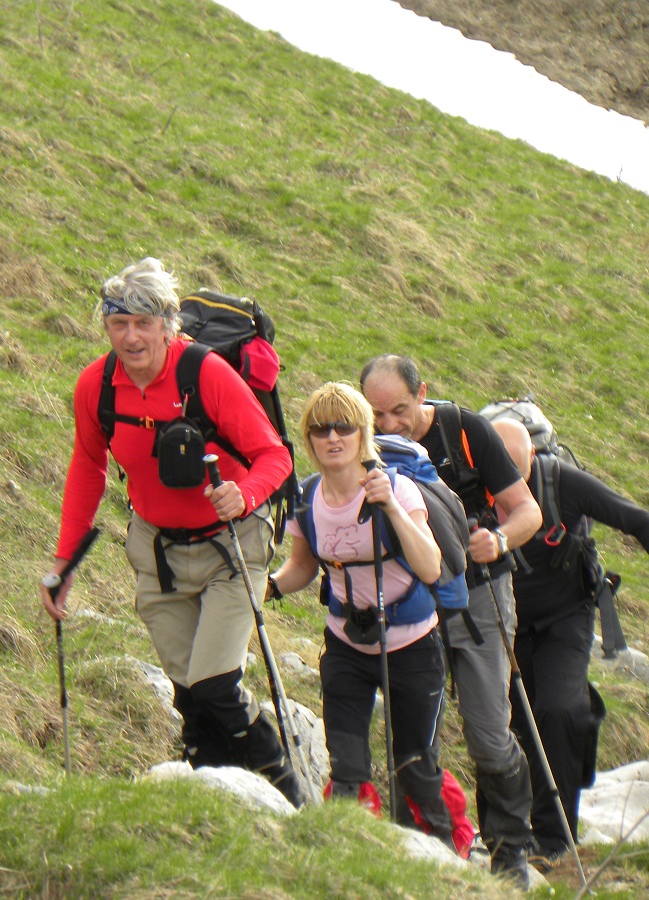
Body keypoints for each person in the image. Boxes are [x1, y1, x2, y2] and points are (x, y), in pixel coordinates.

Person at [39, 258, 304, 806]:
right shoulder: (96, 386)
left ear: (168, 325)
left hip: (232, 545)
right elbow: (87, 467)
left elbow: (274, 455)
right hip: (157, 551)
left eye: (144, 323)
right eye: (119, 324)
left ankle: (288, 795)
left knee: (215, 685)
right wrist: (65, 562)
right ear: (106, 326)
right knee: (190, 698)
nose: (131, 336)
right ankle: (216, 803)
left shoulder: (206, 374)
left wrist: (245, 494)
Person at [492, 418, 649, 867]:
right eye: (499, 472)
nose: (507, 485)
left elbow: (639, 520)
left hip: (564, 618)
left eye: (517, 471)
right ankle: (502, 836)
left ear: (533, 458)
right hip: (501, 623)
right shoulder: (470, 485)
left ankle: (554, 840)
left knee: (560, 710)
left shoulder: (562, 483)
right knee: (506, 725)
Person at [360, 355, 541, 884]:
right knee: (416, 732)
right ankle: (425, 843)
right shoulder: (362, 442)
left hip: (482, 596)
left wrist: (499, 540)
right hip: (411, 601)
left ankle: (510, 851)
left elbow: (527, 510)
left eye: (399, 410)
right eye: (377, 414)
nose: (389, 424)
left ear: (422, 394)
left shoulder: (467, 431)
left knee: (488, 731)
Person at [269, 382, 456, 846]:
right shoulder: (306, 497)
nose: (332, 437)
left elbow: (430, 566)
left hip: (413, 645)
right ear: (309, 439)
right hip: (346, 646)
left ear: (363, 433)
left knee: (415, 767)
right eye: (320, 429)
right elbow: (302, 567)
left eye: (344, 427)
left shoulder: (399, 488)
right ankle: (350, 855)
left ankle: (438, 856)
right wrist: (267, 587)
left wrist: (389, 506)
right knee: (347, 769)